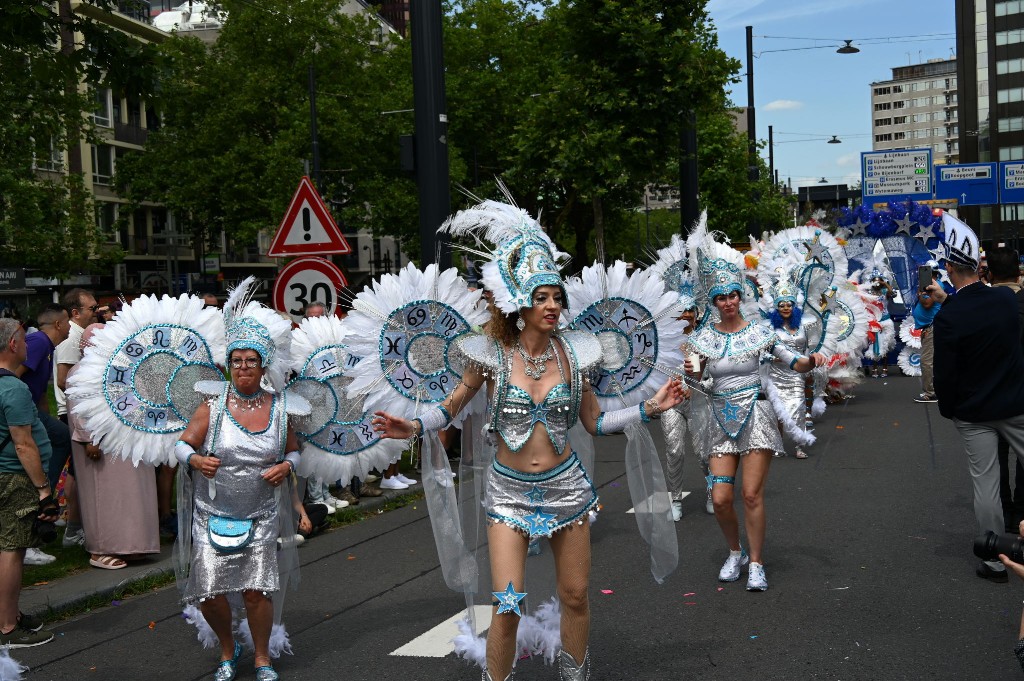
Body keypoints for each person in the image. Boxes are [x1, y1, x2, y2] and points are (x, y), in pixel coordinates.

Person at [372, 200, 685, 681]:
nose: (553, 306)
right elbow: (452, 406)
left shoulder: (579, 353)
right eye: (542, 297)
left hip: (567, 488)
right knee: (508, 603)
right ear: (521, 304)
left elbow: (595, 422)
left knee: (576, 595)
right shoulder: (490, 355)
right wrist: (412, 427)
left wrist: (651, 406)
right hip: (508, 491)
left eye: (557, 297)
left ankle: (574, 673)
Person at [684, 228, 825, 593]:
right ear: (713, 302)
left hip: (757, 415)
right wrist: (691, 373)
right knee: (720, 499)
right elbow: (698, 383)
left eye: (733, 295)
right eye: (721, 297)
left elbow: (793, 362)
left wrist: (812, 360)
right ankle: (736, 552)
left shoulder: (761, 333)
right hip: (719, 417)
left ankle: (757, 563)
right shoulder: (702, 339)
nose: (728, 302)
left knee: (751, 495)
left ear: (740, 296)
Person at [175, 285, 302, 681]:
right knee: (209, 593)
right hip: (213, 512)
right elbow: (181, 446)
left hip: (261, 512)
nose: (243, 367)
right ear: (228, 365)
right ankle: (228, 651)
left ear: (264, 366)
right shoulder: (210, 407)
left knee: (255, 591)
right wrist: (195, 459)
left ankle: (262, 657)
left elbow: (295, 452)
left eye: (251, 360)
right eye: (236, 360)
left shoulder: (281, 410)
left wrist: (286, 466)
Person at [930, 214, 1024, 583]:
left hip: (974, 411)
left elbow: (945, 373)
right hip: (1015, 402)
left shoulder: (950, 316)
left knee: (985, 484)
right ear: (979, 266)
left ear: (950, 268)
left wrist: (950, 409)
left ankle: (996, 559)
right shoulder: (1003, 300)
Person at [67, 324, 160, 570]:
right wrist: (89, 439)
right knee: (104, 496)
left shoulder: (122, 364)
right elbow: (79, 408)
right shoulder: (80, 370)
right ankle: (101, 549)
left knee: (131, 494)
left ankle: (132, 544)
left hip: (127, 438)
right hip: (101, 443)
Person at [0, 318, 57, 647]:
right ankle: (8, 627)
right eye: (23, 340)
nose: (27, 345)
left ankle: (10, 613)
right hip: (15, 478)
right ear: (12, 345)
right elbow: (24, 444)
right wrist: (43, 490)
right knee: (13, 549)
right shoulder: (12, 388)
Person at [16, 304, 71, 565]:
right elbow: (14, 375)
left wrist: (44, 416)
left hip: (33, 410)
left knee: (60, 437)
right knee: (58, 441)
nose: (71, 326)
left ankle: (45, 498)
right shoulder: (38, 341)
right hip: (20, 413)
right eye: (68, 322)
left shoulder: (45, 346)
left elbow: (37, 387)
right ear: (59, 325)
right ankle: (42, 502)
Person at [53, 287, 97, 548]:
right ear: (75, 312)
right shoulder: (72, 338)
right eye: (92, 308)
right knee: (76, 472)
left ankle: (71, 521)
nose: (96, 312)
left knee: (74, 472)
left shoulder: (81, 334)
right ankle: (72, 525)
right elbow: (63, 380)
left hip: (77, 413)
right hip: (73, 414)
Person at [987, 247, 1024, 532]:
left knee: (994, 461)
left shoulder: (981, 304)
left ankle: (1003, 514)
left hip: (991, 396)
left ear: (988, 274)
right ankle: (1021, 518)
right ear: (1018, 272)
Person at [765, 280, 819, 460]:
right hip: (776, 373)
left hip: (797, 373)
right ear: (776, 307)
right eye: (782, 305)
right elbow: (763, 352)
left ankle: (799, 444)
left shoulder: (804, 326)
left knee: (798, 406)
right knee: (778, 412)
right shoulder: (770, 328)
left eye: (789, 304)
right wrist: (775, 358)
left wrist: (810, 362)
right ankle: (777, 444)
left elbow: (810, 348)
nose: (786, 308)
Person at [912, 263, 942, 404]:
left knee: (927, 361)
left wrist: (919, 294)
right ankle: (933, 390)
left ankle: (930, 393)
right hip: (929, 327)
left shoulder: (935, 286)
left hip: (931, 327)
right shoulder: (929, 286)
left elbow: (928, 303)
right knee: (931, 360)